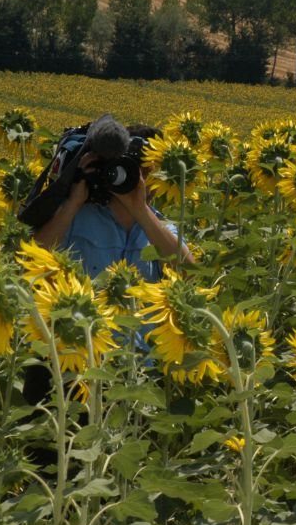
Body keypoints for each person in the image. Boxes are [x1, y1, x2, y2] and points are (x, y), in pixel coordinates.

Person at [22, 117, 193, 408]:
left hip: (132, 371)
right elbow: (34, 252)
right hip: (72, 360)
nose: (142, 178)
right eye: (138, 169)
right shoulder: (79, 214)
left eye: (151, 172)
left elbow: (188, 271)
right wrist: (74, 200)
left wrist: (140, 209)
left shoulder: (158, 228)